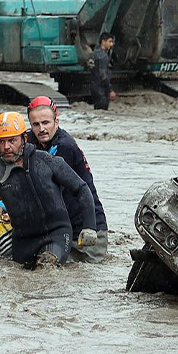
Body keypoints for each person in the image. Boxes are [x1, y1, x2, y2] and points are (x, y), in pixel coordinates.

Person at [0, 112, 98, 268]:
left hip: (56, 234)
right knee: (18, 280)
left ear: (24, 139)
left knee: (46, 267)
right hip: (23, 241)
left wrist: (89, 227)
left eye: (12, 140)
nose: (6, 147)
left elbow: (81, 188)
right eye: (1, 141)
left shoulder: (47, 161)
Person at [26, 96, 108, 263]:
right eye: (36, 124)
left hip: (86, 229)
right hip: (62, 228)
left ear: (56, 122)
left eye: (46, 123)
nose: (41, 129)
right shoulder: (32, 141)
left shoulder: (65, 146)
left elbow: (46, 191)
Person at [90, 32, 116, 110]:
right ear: (103, 42)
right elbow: (103, 75)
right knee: (103, 110)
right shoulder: (103, 56)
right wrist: (110, 90)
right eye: (110, 41)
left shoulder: (94, 53)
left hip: (94, 87)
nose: (112, 44)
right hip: (101, 89)